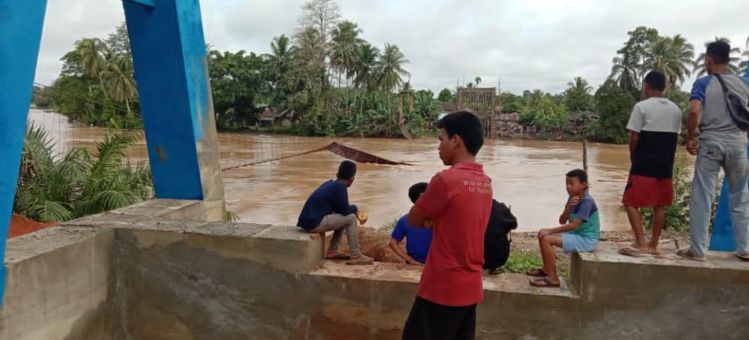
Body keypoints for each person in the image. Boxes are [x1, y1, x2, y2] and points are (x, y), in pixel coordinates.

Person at [402, 111, 493, 340]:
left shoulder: (446, 180)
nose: (438, 146)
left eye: (441, 139)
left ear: (456, 141)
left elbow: (413, 218)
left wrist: (433, 219)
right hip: (470, 286)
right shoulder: (485, 182)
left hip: (442, 287)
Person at [680, 40, 749, 262]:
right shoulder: (743, 83)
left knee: (703, 196)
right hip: (738, 145)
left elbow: (693, 111)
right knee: (741, 197)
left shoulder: (704, 83)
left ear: (709, 59)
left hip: (710, 143)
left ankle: (698, 251)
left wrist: (691, 136)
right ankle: (745, 249)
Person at [619, 71, 683, 257]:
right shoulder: (676, 109)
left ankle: (640, 243)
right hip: (665, 165)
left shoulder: (641, 107)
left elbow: (634, 138)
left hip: (644, 163)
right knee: (660, 204)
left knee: (630, 202)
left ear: (646, 85)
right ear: (663, 87)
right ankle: (653, 245)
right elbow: (673, 138)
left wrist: (633, 158)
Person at [527, 169, 599, 288]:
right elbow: (562, 220)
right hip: (577, 235)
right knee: (542, 235)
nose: (568, 187)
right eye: (566, 184)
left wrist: (550, 230)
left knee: (546, 238)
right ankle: (546, 270)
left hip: (587, 240)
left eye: (571, 183)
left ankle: (553, 279)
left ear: (583, 185)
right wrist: (569, 207)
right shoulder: (572, 198)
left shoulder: (587, 202)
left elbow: (574, 225)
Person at [296, 160, 373, 265]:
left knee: (342, 217)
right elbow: (346, 211)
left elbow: (340, 210)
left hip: (308, 221)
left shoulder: (330, 184)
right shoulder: (340, 187)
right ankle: (356, 255)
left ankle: (333, 250)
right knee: (350, 218)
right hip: (314, 223)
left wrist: (351, 209)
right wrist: (355, 209)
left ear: (338, 174)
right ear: (352, 179)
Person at [389, 182, 432, 265]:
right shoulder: (439, 219)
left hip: (415, 264)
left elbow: (393, 243)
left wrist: (410, 260)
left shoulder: (405, 219)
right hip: (436, 264)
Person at [484, 200, 518, 275]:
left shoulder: (472, 206)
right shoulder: (500, 207)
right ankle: (495, 267)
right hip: (497, 257)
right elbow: (514, 225)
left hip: (472, 256)